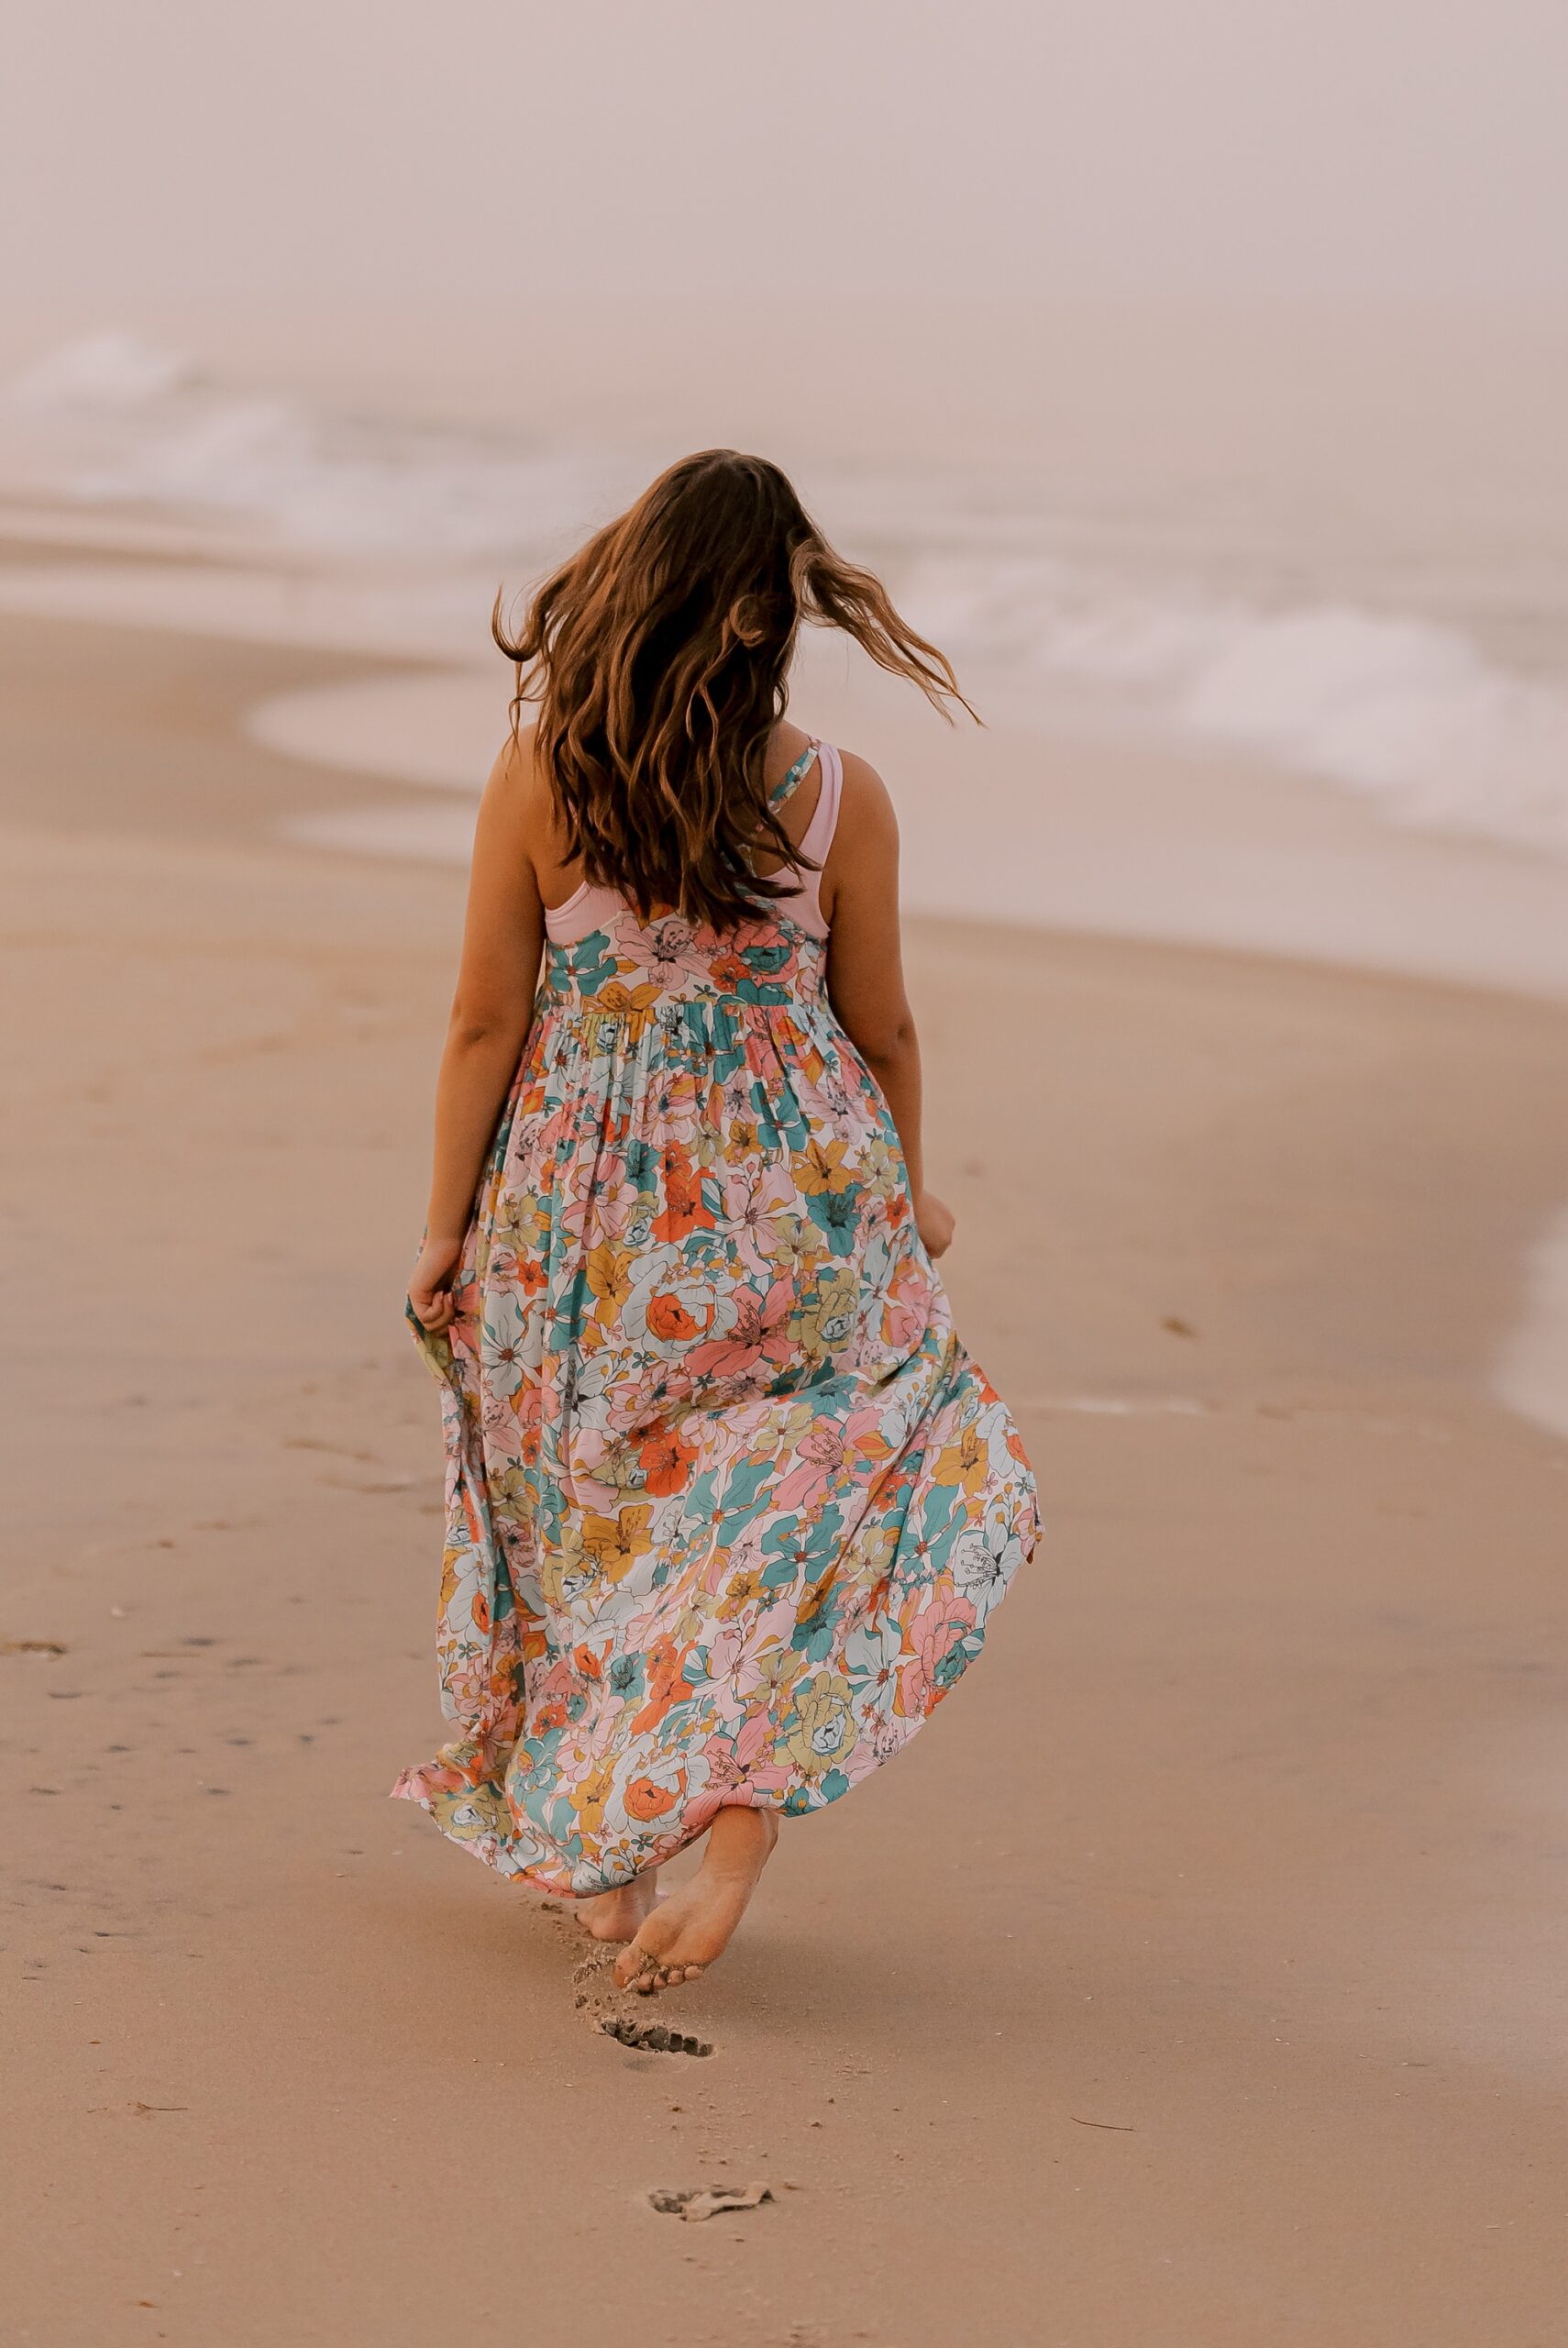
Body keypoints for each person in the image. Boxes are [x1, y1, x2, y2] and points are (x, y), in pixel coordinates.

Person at [395, 449, 1038, 1999]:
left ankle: (609, 1859)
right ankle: (732, 1811)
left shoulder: (542, 773)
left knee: (593, 1512)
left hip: (590, 1208)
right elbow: (877, 1025)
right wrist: (906, 1192)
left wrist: (442, 1227)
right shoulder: (834, 797)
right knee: (793, 1494)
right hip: (800, 1199)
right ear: (773, 617)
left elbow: (487, 1020)